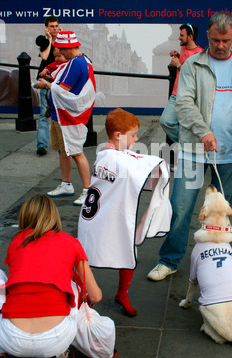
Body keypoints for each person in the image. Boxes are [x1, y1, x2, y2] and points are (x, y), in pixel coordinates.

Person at [148, 12, 232, 282]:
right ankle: (169, 260)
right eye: (216, 40)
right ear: (208, 36)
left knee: (220, 213)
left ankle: (217, 262)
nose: (220, 45)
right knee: (181, 207)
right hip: (194, 150)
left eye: (225, 40)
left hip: (230, 153)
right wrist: (203, 131)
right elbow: (183, 103)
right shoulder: (192, 64)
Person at [77, 108, 172, 316]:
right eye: (133, 135)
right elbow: (141, 164)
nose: (136, 139)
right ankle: (83, 296)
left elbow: (130, 163)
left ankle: (119, 294)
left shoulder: (104, 155)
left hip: (98, 215)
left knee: (125, 249)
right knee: (89, 255)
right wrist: (161, 165)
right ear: (118, 136)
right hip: (104, 215)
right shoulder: (119, 160)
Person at [0, 195, 102, 358]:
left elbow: (15, 281)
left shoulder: (16, 243)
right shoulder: (71, 242)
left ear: (24, 217)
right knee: (72, 283)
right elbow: (95, 296)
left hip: (10, 339)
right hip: (57, 337)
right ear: (53, 216)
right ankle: (60, 356)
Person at [36, 30, 96, 206]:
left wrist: (46, 84)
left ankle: (87, 190)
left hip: (69, 116)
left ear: (68, 47)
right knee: (64, 151)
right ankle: (66, 184)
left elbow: (62, 89)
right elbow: (60, 77)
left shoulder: (77, 63)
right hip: (61, 115)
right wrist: (50, 74)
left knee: (76, 152)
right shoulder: (78, 61)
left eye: (61, 49)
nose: (59, 53)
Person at [159, 23, 203, 143]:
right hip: (175, 95)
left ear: (190, 37)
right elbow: (185, 61)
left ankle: (190, 146)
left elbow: (194, 76)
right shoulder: (183, 47)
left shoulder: (199, 54)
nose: (179, 37)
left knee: (189, 127)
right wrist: (177, 55)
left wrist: (178, 64)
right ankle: (187, 144)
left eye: (182, 35)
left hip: (189, 97)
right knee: (165, 121)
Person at [35, 16, 61, 156]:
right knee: (44, 114)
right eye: (51, 26)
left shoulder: (62, 40)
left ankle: (62, 143)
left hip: (58, 81)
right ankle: (42, 145)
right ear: (46, 27)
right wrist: (50, 40)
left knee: (60, 113)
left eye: (56, 26)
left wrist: (59, 37)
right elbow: (45, 57)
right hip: (45, 81)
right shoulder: (43, 40)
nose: (54, 29)